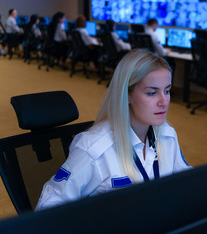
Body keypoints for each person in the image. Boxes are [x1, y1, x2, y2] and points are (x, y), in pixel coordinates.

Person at [35, 49, 191, 210]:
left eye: (167, 91)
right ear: (127, 95)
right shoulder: (94, 149)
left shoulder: (167, 135)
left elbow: (188, 182)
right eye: (152, 93)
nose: (164, 102)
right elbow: (48, 207)